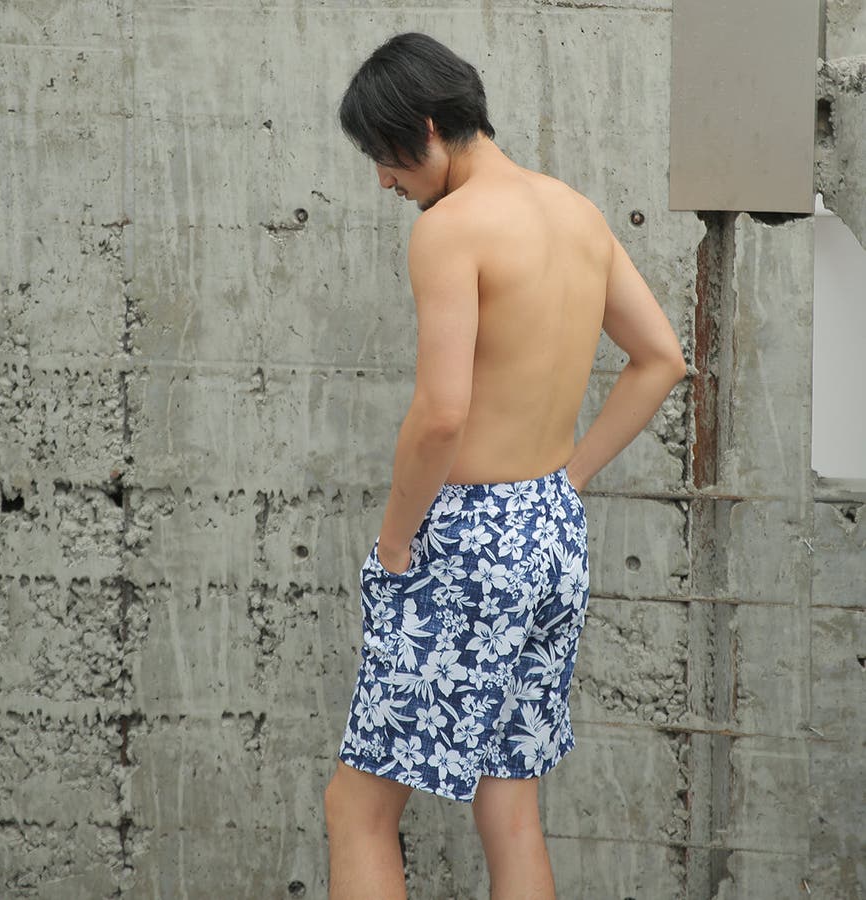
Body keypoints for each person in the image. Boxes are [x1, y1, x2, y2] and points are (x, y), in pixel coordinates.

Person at [324, 32, 687, 900]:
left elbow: (442, 415)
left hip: (466, 543)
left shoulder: (450, 231)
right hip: (550, 532)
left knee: (358, 807)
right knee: (509, 803)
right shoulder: (576, 213)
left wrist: (395, 543)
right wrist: (571, 478)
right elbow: (662, 359)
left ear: (426, 127)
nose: (384, 180)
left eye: (384, 155)